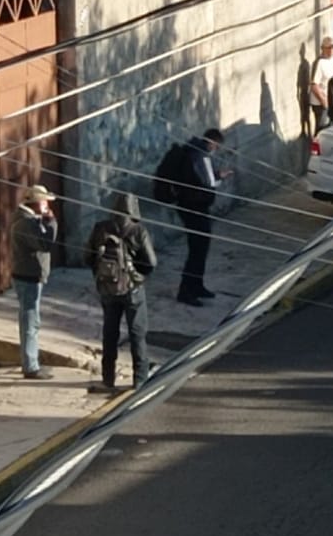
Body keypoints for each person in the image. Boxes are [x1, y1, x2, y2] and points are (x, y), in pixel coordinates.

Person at [84, 191, 157, 394]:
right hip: (132, 289)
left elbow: (87, 257)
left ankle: (108, 378)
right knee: (137, 333)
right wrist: (138, 277)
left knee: (110, 332)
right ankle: (140, 379)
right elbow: (151, 263)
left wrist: (101, 275)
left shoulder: (101, 228)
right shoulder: (138, 230)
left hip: (107, 288)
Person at [166, 127, 231, 306]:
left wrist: (216, 175)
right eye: (216, 146)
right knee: (197, 249)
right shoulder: (200, 155)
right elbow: (207, 182)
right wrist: (221, 177)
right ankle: (186, 291)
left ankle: (197, 285)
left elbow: (200, 178)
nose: (216, 149)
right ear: (212, 142)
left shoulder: (193, 152)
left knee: (201, 247)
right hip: (193, 207)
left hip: (193, 205)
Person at [10, 183, 59, 380]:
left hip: (31, 276)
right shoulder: (25, 223)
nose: (47, 204)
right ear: (38, 203)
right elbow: (46, 243)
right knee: (30, 322)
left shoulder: (29, 220)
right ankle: (30, 366)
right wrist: (51, 221)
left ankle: (32, 362)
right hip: (28, 277)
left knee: (32, 321)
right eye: (45, 201)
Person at [308, 36, 333, 135]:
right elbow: (313, 85)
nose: (331, 50)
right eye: (328, 48)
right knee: (321, 129)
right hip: (320, 103)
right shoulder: (319, 62)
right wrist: (324, 101)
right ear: (323, 48)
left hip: (331, 100)